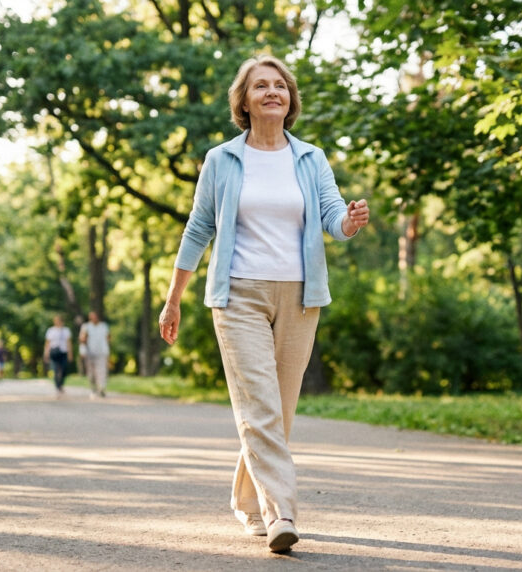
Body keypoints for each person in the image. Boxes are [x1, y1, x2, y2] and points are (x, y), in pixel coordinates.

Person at [158, 53, 370, 554]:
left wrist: (349, 224)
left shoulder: (311, 158)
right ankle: (282, 513)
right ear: (245, 102)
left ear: (290, 99)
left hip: (300, 295)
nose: (272, 91)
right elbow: (198, 229)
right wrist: (173, 300)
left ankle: (248, 501)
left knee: (279, 409)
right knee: (259, 404)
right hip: (239, 295)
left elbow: (332, 214)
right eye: (261, 86)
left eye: (280, 85)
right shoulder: (222, 159)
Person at [79, 311, 111, 398]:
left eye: (95, 316)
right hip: (90, 353)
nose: (93, 318)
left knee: (102, 371)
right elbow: (82, 340)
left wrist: (107, 351)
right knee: (91, 372)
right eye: (91, 317)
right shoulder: (86, 327)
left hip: (102, 352)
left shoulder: (104, 326)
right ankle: (93, 388)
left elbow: (108, 338)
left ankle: (101, 388)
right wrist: (82, 351)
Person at [44, 314, 73, 395]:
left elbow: (69, 342)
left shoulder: (66, 330)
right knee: (56, 370)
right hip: (54, 352)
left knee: (64, 369)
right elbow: (47, 343)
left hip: (63, 352)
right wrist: (46, 353)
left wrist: (70, 353)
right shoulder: (51, 330)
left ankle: (61, 384)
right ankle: (57, 386)